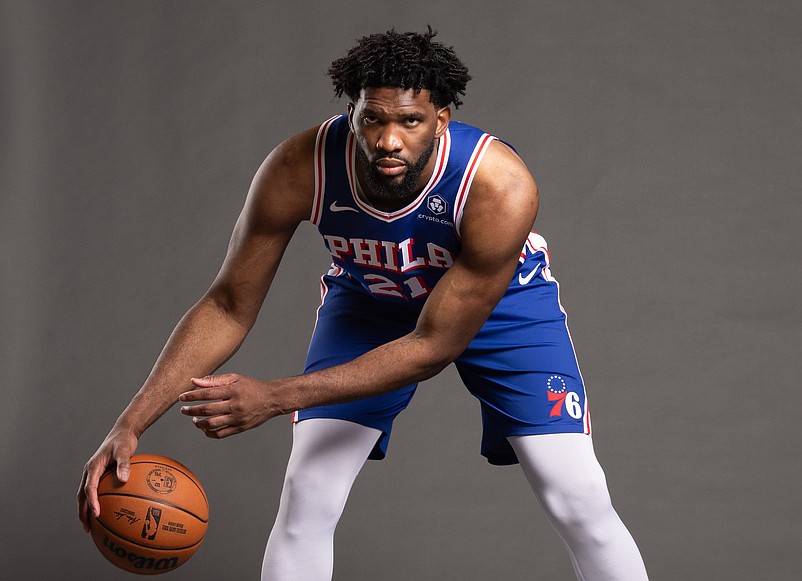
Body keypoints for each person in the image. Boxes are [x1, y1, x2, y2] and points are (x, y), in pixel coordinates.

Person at [78, 28, 649, 580]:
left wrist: (275, 396)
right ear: (352, 113)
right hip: (372, 298)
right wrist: (130, 424)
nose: (388, 140)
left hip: (499, 310)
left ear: (440, 119)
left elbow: (433, 346)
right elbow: (228, 304)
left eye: (410, 120)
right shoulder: (301, 166)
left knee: (575, 493)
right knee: (308, 492)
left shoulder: (497, 183)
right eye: (372, 119)